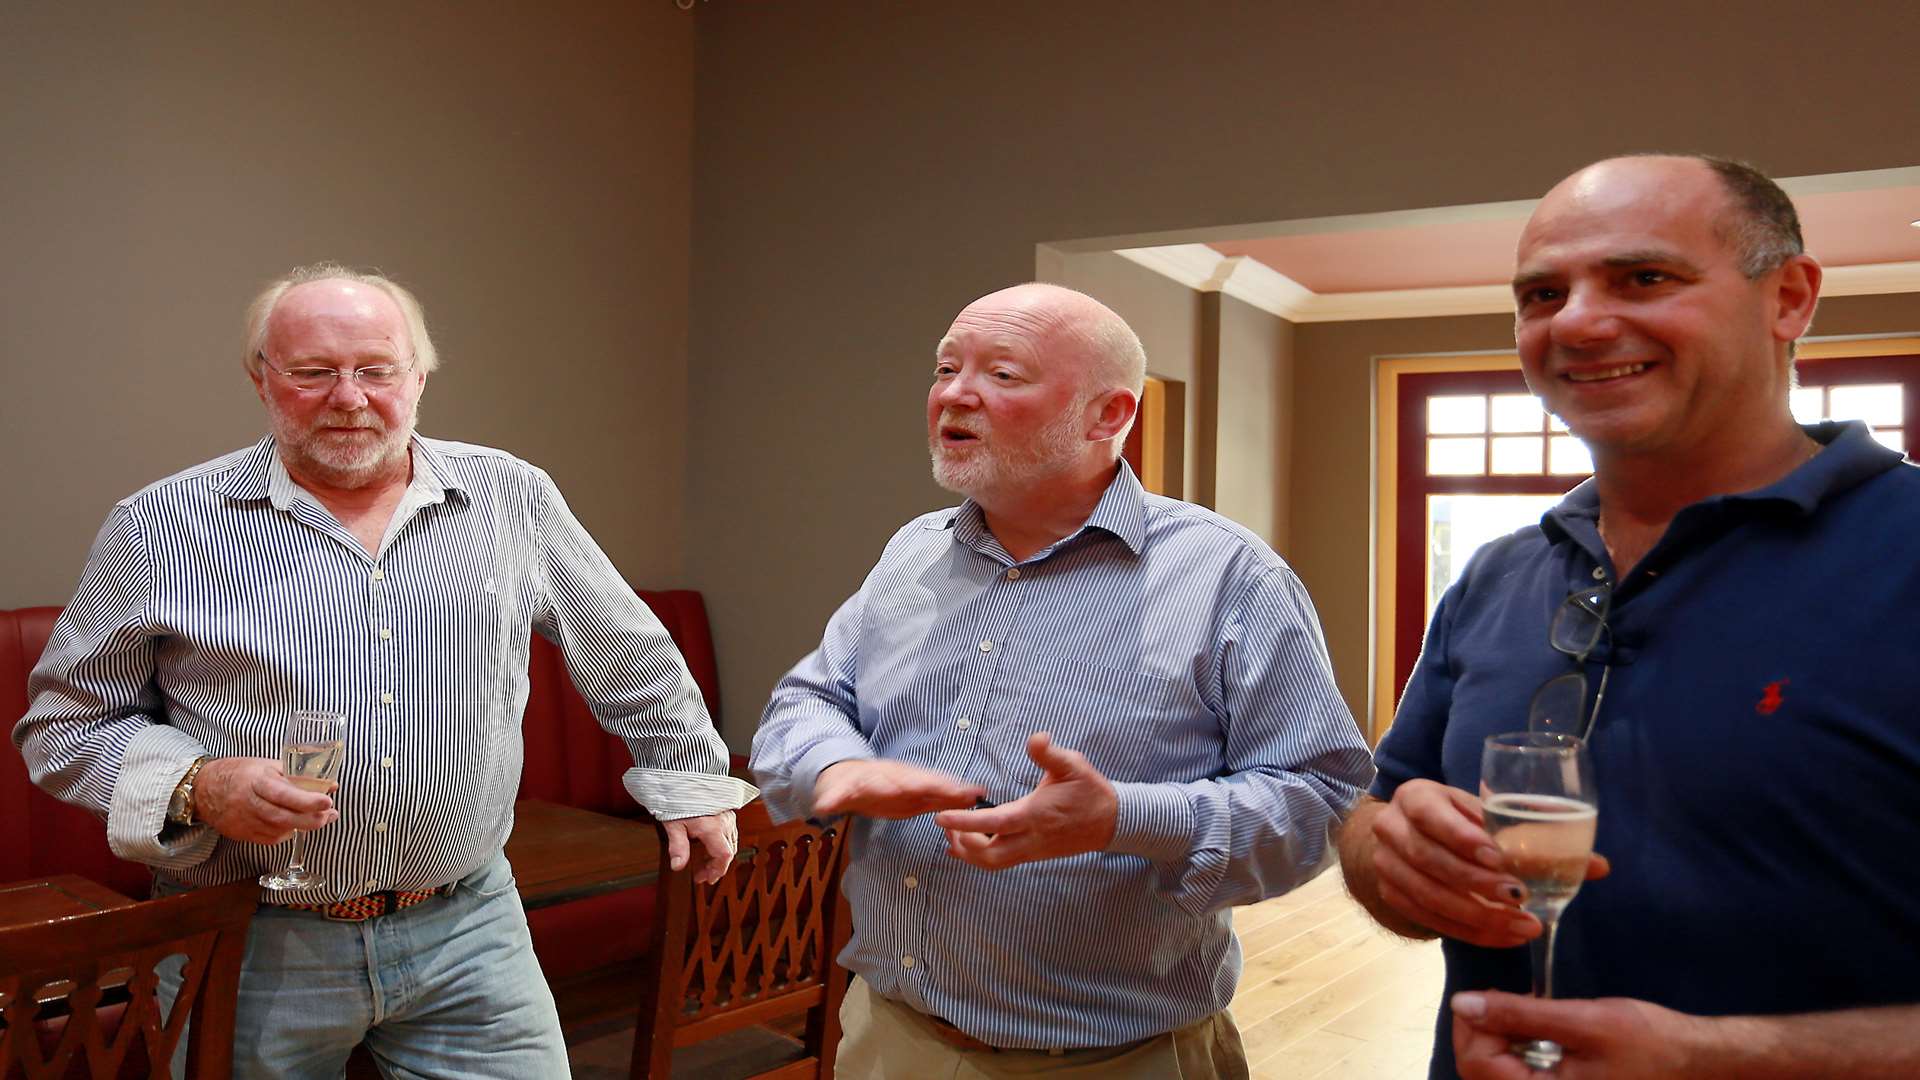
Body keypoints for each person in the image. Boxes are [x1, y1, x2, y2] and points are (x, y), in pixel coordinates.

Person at [15, 263, 756, 1077]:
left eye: (376, 369)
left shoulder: (512, 497)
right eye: (312, 372)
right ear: (261, 379)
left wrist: (689, 780)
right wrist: (195, 785)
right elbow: (64, 727)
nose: (348, 396)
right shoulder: (158, 525)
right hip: (250, 935)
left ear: (419, 377)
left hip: (470, 929)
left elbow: (630, 653)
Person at [1338, 155, 1920, 1079]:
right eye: (1541, 294)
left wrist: (1713, 1058)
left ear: (1791, 299)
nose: (1576, 322)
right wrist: (1391, 854)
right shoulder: (1497, 575)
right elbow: (1373, 820)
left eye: (1644, 278)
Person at [750, 282, 1374, 1078]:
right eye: (946, 368)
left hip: (1116, 1059)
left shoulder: (1229, 576)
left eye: (1002, 374)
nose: (955, 393)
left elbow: (1323, 803)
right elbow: (809, 699)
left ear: (1108, 415)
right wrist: (836, 763)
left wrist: (1122, 817)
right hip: (886, 1037)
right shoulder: (912, 552)